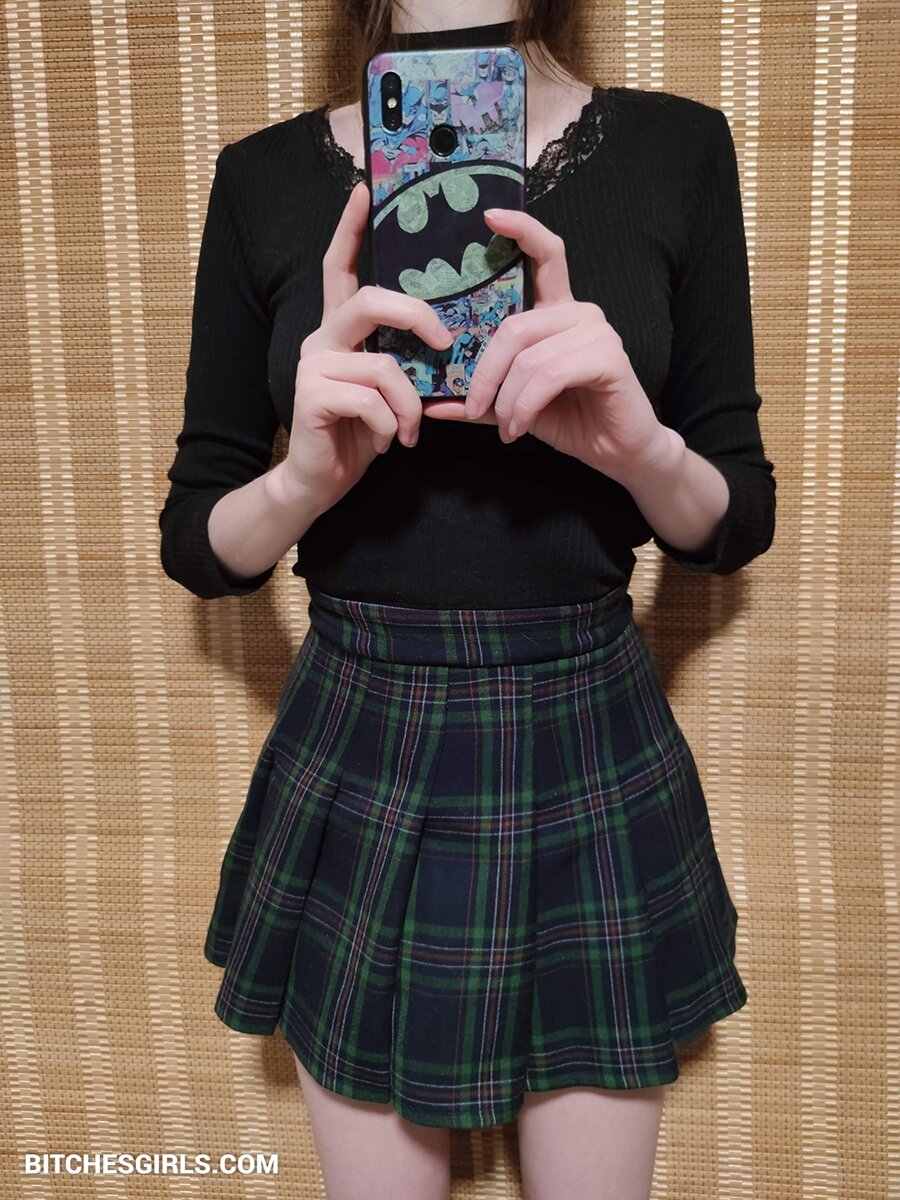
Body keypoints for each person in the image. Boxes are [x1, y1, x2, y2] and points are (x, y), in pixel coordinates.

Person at [158, 2, 776, 1197]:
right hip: (356, 735)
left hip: (591, 727)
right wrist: (304, 481)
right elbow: (199, 540)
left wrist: (636, 448)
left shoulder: (679, 149)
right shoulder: (262, 179)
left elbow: (733, 519)